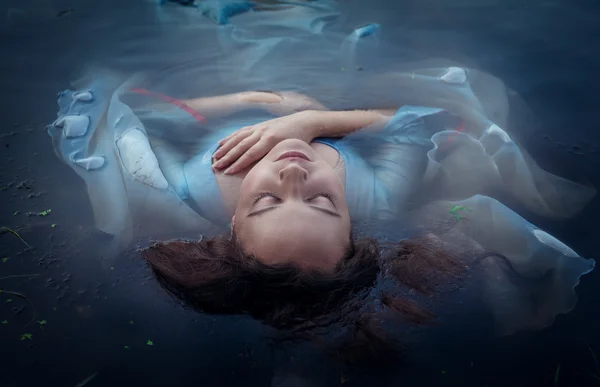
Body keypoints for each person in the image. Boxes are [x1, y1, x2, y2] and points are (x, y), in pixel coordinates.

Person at [49, 72, 595, 351]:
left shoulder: (186, 191)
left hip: (244, 90)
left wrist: (249, 100)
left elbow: (146, 113)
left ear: (234, 223)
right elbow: (422, 121)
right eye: (322, 201)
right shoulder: (379, 196)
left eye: (266, 200)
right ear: (354, 222)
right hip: (319, 96)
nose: (292, 173)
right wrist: (314, 122)